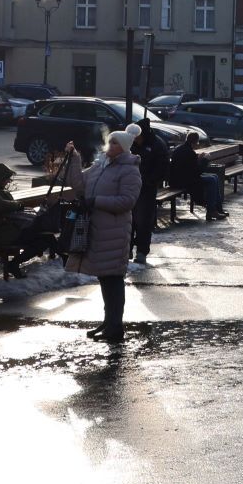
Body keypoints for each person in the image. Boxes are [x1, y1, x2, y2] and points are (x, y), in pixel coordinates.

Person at [57, 124, 143, 342]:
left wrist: (96, 201)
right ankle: (109, 322)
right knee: (106, 280)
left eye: (115, 142)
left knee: (113, 280)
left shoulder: (130, 170)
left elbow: (127, 201)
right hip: (99, 232)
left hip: (114, 233)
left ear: (124, 148)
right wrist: (74, 158)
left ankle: (115, 328)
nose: (110, 145)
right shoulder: (100, 166)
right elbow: (78, 184)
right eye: (110, 141)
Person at [130, 126, 170, 268]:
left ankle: (141, 252)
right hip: (130, 188)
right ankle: (127, 251)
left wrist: (149, 181)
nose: (134, 141)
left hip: (146, 189)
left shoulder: (157, 145)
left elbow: (163, 167)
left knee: (143, 221)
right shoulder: (134, 143)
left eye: (136, 138)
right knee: (129, 220)